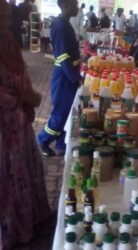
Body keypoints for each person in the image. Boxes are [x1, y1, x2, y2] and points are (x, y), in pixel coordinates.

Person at [0, 0, 51, 249]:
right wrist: (21, 98)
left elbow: (22, 72)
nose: (5, 24)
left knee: (27, 169)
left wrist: (29, 95)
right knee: (9, 177)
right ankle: (13, 231)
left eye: (7, 18)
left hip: (19, 120)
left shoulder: (9, 41)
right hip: (4, 125)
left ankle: (34, 220)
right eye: (0, 19)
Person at [37, 0, 82, 157]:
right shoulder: (61, 26)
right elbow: (63, 56)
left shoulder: (64, 23)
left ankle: (62, 143)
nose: (77, 7)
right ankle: (43, 140)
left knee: (69, 110)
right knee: (61, 111)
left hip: (67, 74)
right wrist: (75, 77)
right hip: (64, 76)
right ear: (65, 6)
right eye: (74, 4)